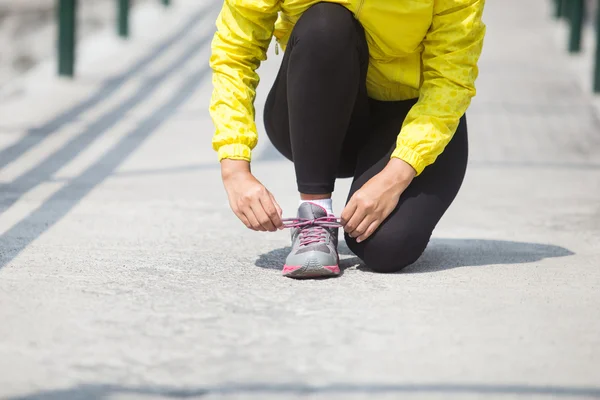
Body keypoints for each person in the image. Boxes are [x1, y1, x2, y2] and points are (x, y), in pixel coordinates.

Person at [209, 0, 486, 278]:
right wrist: (234, 168)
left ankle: (380, 183)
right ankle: (315, 216)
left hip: (409, 113)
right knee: (325, 23)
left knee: (386, 248)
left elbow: (450, 79)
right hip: (315, 109)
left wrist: (396, 175)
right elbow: (234, 54)